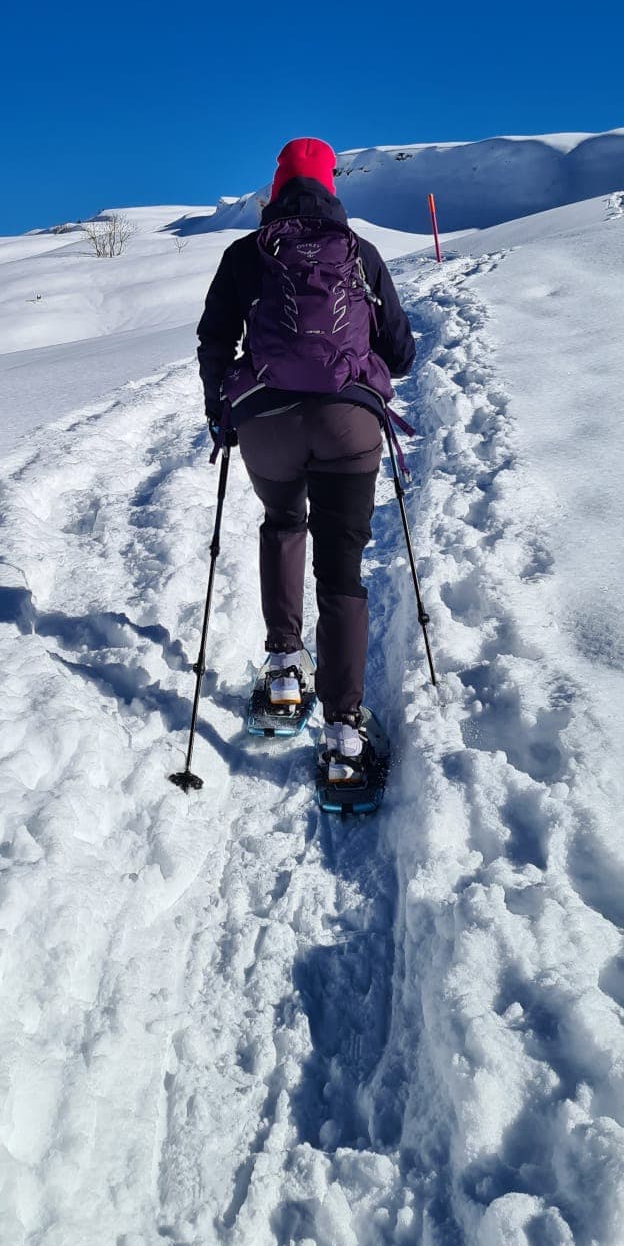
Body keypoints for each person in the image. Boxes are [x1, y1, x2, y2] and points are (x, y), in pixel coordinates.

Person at [196, 136, 415, 779]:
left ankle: (286, 669)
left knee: (283, 524)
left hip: (267, 424)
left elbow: (214, 338)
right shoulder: (360, 253)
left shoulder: (245, 255)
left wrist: (223, 410)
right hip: (349, 423)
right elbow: (400, 354)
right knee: (342, 566)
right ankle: (344, 733)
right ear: (331, 187)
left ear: (276, 187)